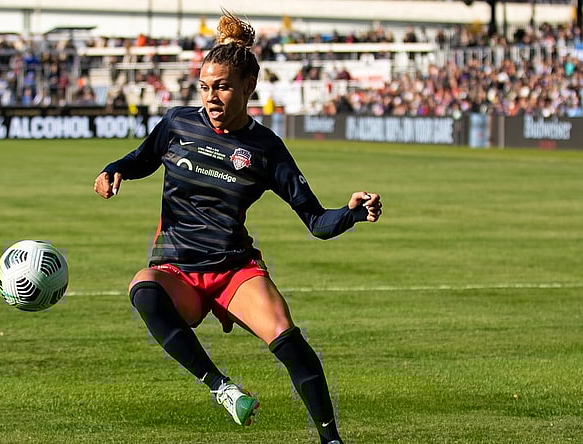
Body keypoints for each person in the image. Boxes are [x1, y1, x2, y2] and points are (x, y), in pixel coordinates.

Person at [93, 11, 382, 444]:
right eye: (205, 87)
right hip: (177, 269)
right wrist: (113, 170)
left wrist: (352, 212)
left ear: (249, 87)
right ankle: (221, 387)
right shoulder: (177, 124)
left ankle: (331, 439)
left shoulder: (267, 148)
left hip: (233, 269)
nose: (211, 97)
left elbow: (316, 222)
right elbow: (138, 160)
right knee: (142, 288)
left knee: (289, 340)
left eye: (223, 87)